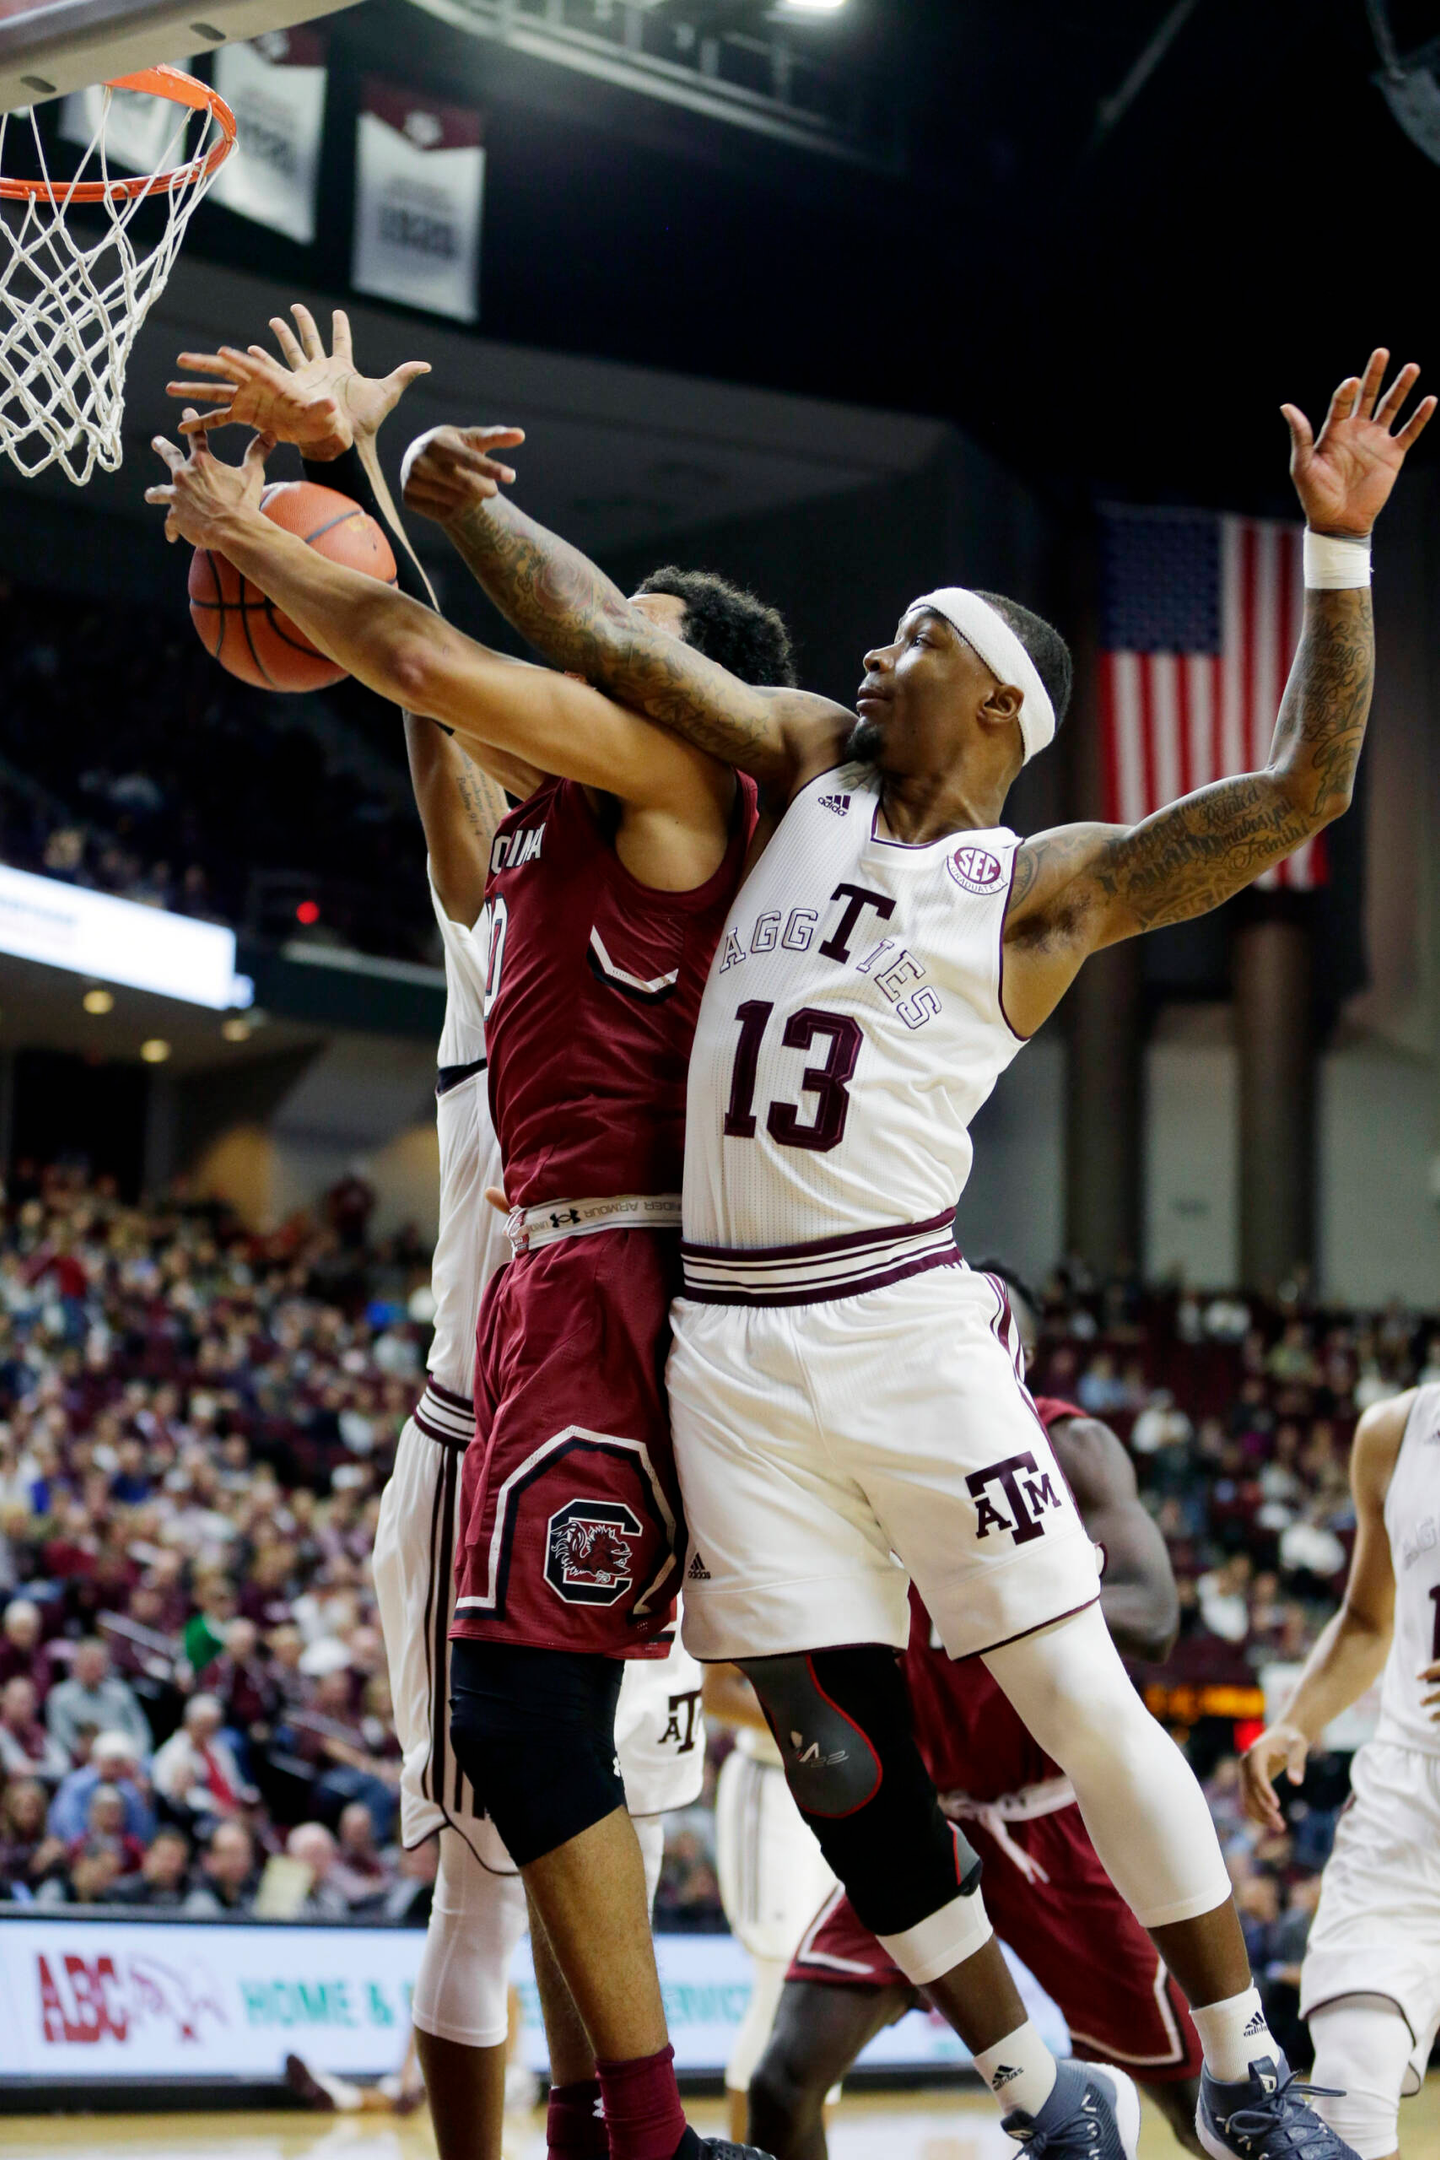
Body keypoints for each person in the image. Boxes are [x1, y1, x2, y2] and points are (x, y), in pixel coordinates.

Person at [379, 348, 1432, 2159]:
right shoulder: (798, 765)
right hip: (727, 1350)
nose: (876, 654)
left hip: (896, 1319)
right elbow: (627, 653)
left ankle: (1247, 2066)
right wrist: (464, 510)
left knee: (1079, 1695)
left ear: (1002, 699)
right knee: (825, 1737)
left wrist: (1337, 555)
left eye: (916, 636)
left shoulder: (1046, 884)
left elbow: (1299, 792)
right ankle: (1034, 2088)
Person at [158, 307, 782, 2160]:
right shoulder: (537, 888)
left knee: (584, 1824)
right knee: (506, 1858)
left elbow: (444, 669)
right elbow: (439, 701)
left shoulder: (676, 839)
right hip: (491, 1409)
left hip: (622, 1369)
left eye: (625, 654)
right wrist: (348, 482)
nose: (586, 664)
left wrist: (282, 524)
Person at [750, 1267, 1203, 2160]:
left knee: (1195, 2107)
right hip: (926, 1824)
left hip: (1055, 1825)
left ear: (1015, 1358)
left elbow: (1153, 1615)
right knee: (782, 2082)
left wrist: (992, 1606)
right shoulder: (864, 1451)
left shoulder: (1070, 1451)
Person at [1242, 1384, 1440, 2160]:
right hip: (1408, 1795)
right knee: (1349, 2101)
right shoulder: (1395, 1432)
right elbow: (1367, 1619)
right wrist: (1295, 1721)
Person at [704, 1663, 836, 2143]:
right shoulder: (762, 1589)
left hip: (844, 1790)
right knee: (777, 1993)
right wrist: (810, 1732)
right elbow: (714, 1691)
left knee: (827, 1992)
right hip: (773, 1787)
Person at [44, 1637, 150, 1762]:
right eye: (88, 1663)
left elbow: (142, 1733)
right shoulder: (60, 1697)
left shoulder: (121, 1693)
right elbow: (62, 1739)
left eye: (97, 1663)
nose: (93, 1668)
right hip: (84, 1762)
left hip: (127, 1758)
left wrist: (134, 1757)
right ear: (75, 1664)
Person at [48, 1729, 154, 1844]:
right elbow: (68, 1825)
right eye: (113, 1763)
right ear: (98, 1760)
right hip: (79, 1848)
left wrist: (144, 1797)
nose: (117, 1769)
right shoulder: (77, 1785)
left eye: (120, 1764)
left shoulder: (128, 1788)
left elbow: (140, 1832)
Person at [184, 1818, 257, 1915]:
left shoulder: (252, 1895)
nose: (241, 1861)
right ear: (209, 1858)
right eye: (232, 1853)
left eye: (245, 1853)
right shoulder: (201, 1904)